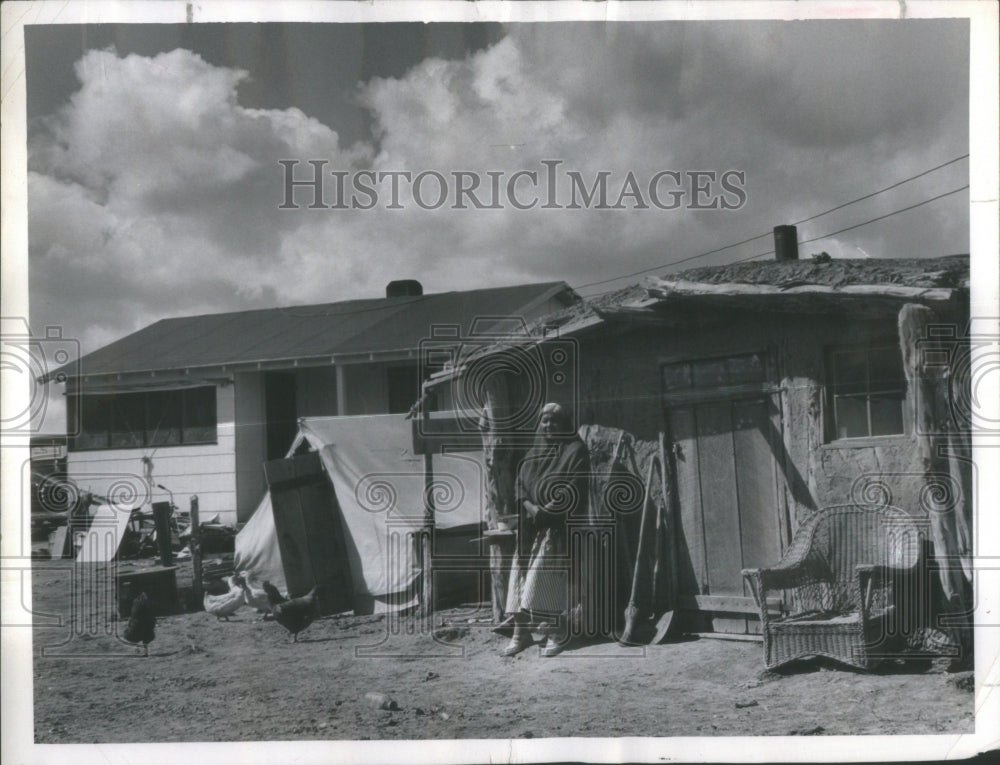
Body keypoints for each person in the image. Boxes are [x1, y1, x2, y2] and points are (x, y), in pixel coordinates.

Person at [502, 402, 590, 657]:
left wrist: (549, 510)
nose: (549, 425)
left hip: (558, 528)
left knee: (544, 579)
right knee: (518, 579)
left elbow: (573, 487)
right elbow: (520, 487)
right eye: (545, 421)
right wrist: (532, 508)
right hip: (530, 527)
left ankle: (556, 632)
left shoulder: (575, 451)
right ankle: (521, 632)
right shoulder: (531, 454)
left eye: (555, 421)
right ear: (539, 424)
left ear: (564, 424)